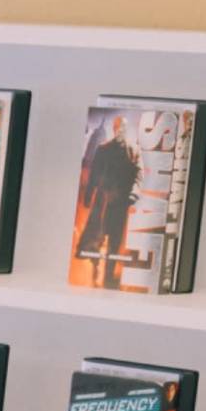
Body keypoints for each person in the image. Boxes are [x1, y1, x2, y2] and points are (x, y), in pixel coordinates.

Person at [73, 111, 141, 287]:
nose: (121, 130)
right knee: (98, 236)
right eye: (119, 127)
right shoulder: (103, 149)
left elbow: (138, 175)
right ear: (114, 128)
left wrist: (133, 193)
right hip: (102, 202)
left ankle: (109, 274)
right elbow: (94, 173)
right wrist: (89, 195)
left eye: (124, 127)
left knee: (115, 239)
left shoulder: (133, 151)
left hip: (120, 203)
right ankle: (95, 269)